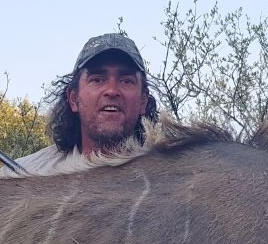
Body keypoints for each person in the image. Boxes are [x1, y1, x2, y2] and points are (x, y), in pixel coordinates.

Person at [14, 32, 159, 176]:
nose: (112, 90)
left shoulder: (167, 179)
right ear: (73, 99)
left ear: (143, 101)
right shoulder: (22, 175)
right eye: (97, 79)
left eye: (126, 81)